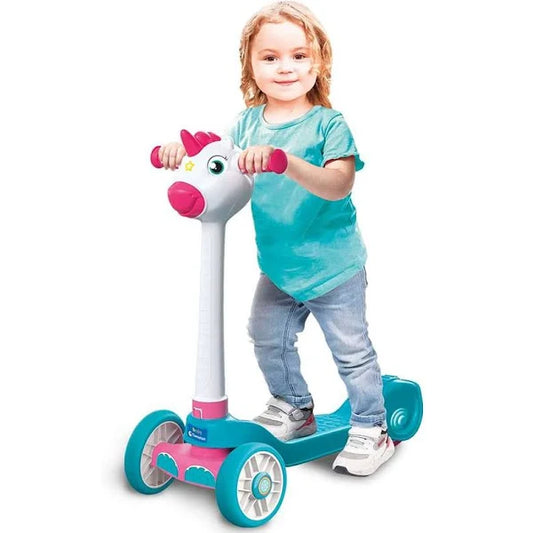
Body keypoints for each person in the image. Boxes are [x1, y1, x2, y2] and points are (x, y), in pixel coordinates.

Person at [158, 1, 394, 476]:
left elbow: (339, 184)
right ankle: (294, 406)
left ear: (319, 62)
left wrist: (286, 162)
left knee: (351, 351)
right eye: (270, 57)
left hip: (334, 268)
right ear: (250, 65)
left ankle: (372, 425)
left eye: (299, 56)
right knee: (267, 336)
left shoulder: (328, 125)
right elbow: (218, 160)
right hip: (279, 267)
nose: (285, 67)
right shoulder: (247, 124)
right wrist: (185, 152)